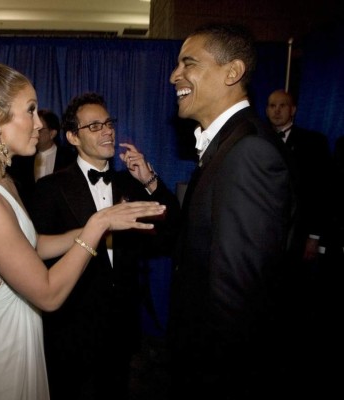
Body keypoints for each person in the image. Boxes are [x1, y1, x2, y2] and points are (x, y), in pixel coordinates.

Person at [0, 62, 167, 400]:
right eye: (30, 111)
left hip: (16, 335)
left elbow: (33, 245)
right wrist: (98, 224)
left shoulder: (1, 180)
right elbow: (47, 293)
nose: (40, 124)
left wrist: (103, 220)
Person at [166, 23, 304, 399]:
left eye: (188, 63)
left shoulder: (248, 152)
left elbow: (239, 298)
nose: (174, 75)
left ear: (233, 72)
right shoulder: (230, 142)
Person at [27, 92, 181, 400]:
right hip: (71, 324)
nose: (107, 130)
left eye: (108, 123)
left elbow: (171, 232)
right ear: (72, 137)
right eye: (94, 126)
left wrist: (150, 180)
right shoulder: (50, 188)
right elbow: (37, 256)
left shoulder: (131, 184)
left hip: (121, 322)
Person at [266, 89, 332, 264]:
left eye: (282, 105)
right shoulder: (258, 140)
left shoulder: (314, 143)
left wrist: (314, 236)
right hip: (263, 234)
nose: (277, 111)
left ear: (293, 110)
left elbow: (321, 191)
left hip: (298, 234)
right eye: (272, 106)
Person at [8, 109, 75, 205]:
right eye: (32, 128)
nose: (33, 133)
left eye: (39, 130)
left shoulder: (69, 158)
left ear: (52, 134)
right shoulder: (21, 158)